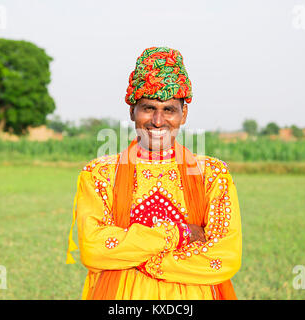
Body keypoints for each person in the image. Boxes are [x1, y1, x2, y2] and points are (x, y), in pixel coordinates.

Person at [66, 47, 242, 300]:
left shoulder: (212, 175)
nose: (158, 121)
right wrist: (180, 233)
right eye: (148, 108)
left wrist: (135, 253)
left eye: (169, 109)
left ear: (184, 114)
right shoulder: (99, 174)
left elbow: (224, 256)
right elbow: (94, 250)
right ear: (132, 112)